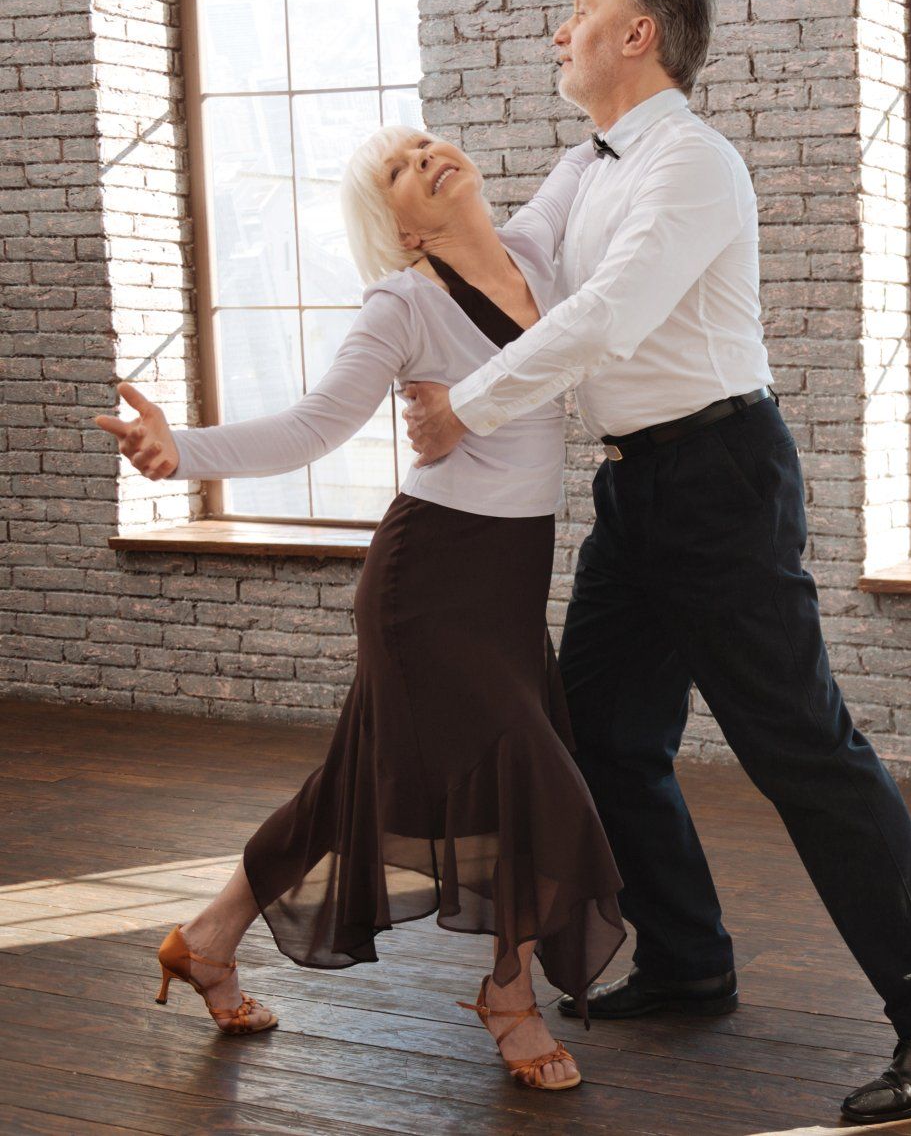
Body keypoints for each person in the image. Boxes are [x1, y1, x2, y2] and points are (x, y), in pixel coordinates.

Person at [400, 0, 911, 1124]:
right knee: (604, 733)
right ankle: (688, 958)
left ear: (639, 36)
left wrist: (463, 408)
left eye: (578, 15)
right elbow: (517, 273)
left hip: (723, 477)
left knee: (801, 748)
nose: (558, 32)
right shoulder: (589, 165)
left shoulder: (696, 163)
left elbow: (602, 316)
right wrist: (439, 213)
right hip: (637, 487)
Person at [95, 124, 623, 1091]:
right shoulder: (403, 302)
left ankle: (206, 941)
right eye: (399, 170)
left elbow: (597, 149)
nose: (427, 158)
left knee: (351, 789)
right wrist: (185, 453)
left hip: (509, 584)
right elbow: (314, 424)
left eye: (426, 144)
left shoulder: (540, 252)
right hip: (428, 587)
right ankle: (509, 998)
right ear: (404, 230)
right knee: (540, 782)